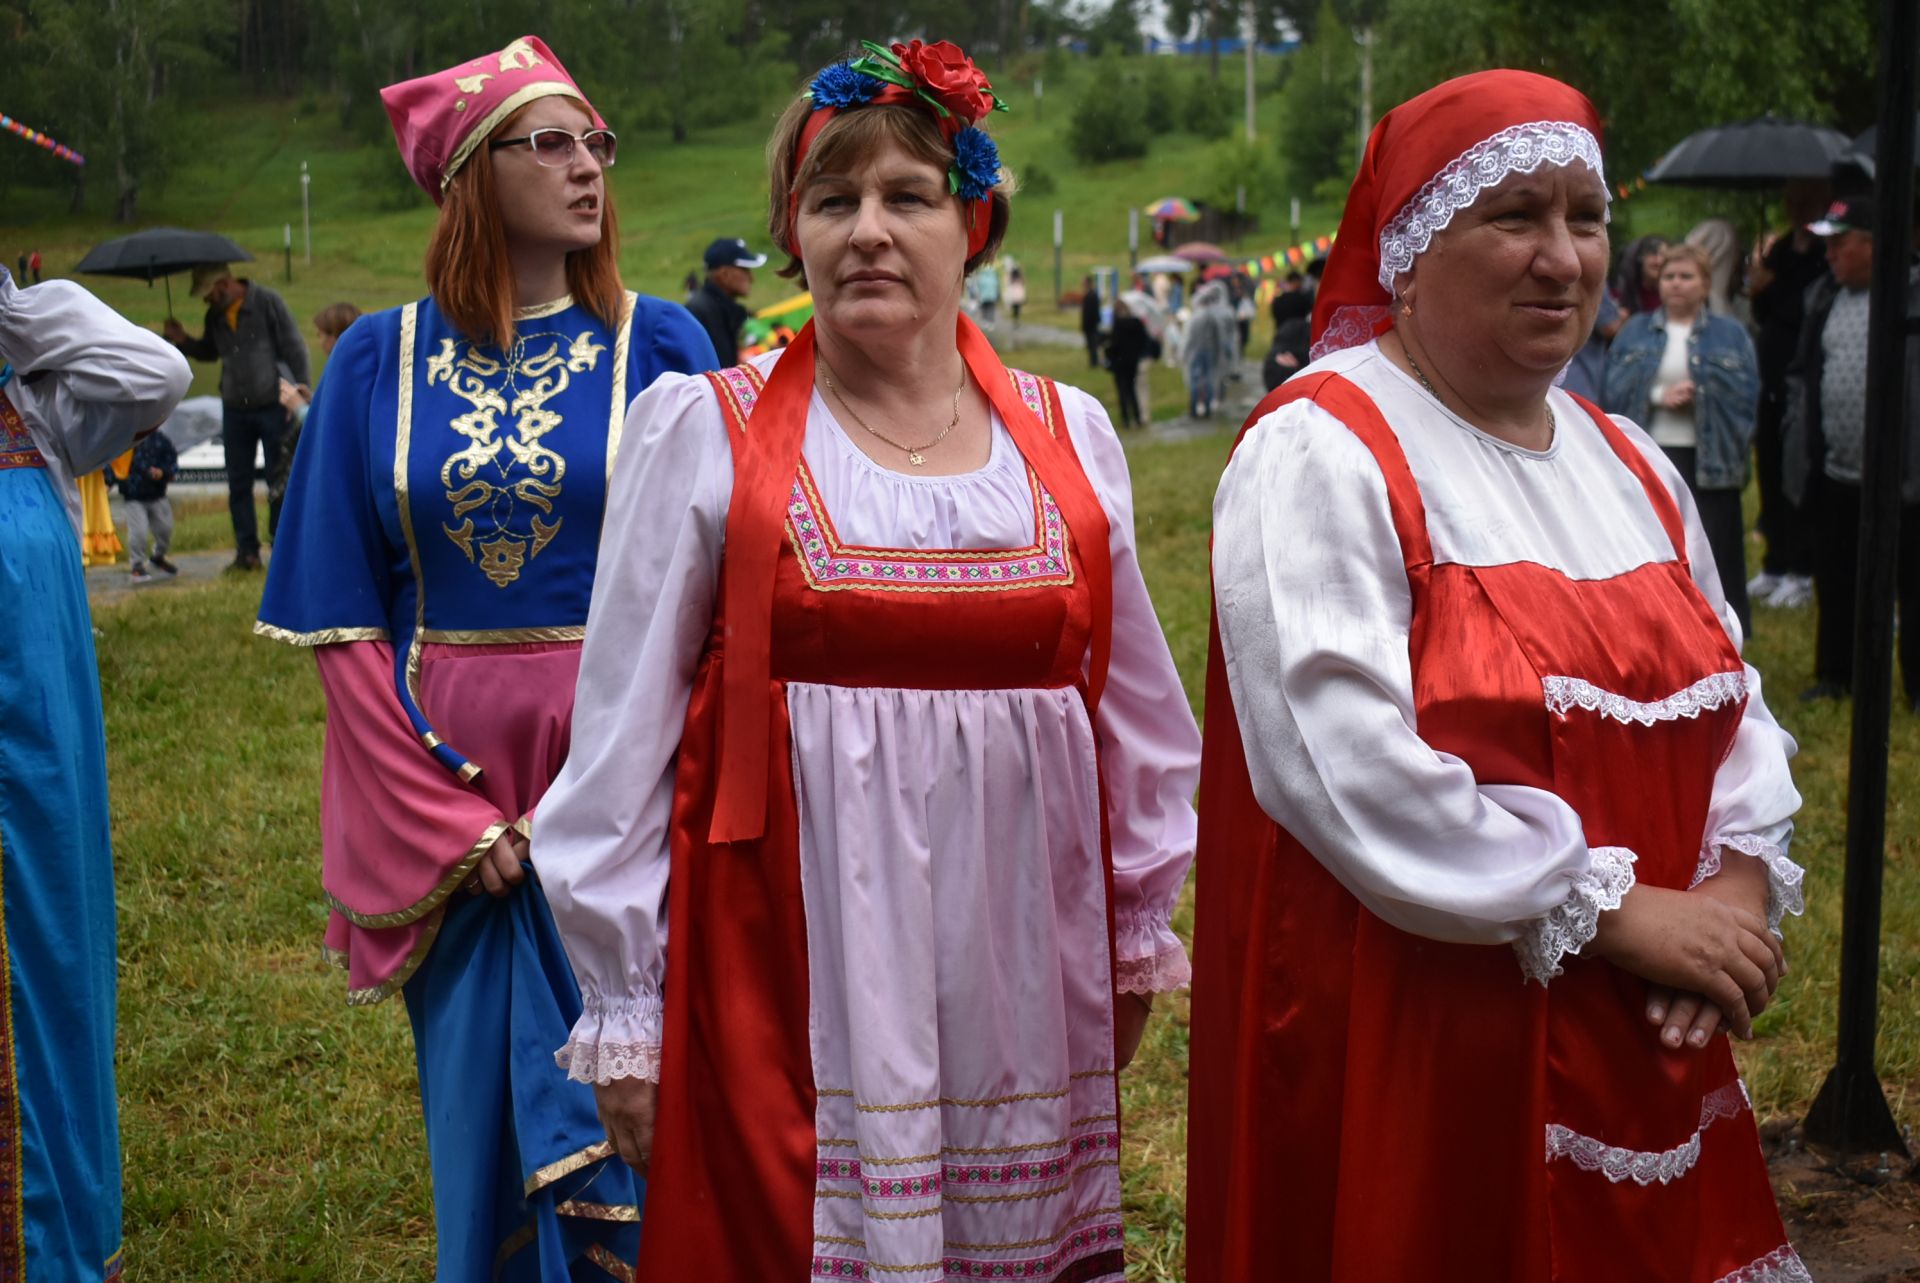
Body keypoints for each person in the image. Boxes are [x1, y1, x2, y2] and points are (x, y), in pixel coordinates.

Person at [533, 38, 1199, 1280]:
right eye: (832, 202)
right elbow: (619, 736)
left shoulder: (1069, 438)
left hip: (1014, 955)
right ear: (795, 234)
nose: (869, 231)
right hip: (792, 954)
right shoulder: (707, 431)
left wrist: (1130, 927)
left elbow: (1139, 713)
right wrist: (628, 1014)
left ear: (975, 224)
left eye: (909, 197)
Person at [1189, 70, 1806, 1281]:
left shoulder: (1630, 460)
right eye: (1514, 215)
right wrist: (1621, 914)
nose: (1561, 257)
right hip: (1428, 1038)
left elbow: (1735, 699)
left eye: (1585, 218)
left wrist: (1730, 899)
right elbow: (1340, 767)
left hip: (1641, 1037)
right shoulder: (1321, 447)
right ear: (1409, 251)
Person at [255, 35, 717, 1280]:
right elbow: (339, 621)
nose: (588, 169)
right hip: (458, 797)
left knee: (653, 1113)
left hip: (629, 774)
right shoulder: (373, 362)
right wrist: (449, 818)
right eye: (551, 143)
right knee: (482, 1141)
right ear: (471, 171)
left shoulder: (664, 348)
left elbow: (722, 595)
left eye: (597, 145)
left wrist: (636, 790)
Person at [0, 264, 191, 1282]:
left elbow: (152, 369)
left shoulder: (33, 388)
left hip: (29, 748)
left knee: (46, 955)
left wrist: (17, 312)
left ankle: (48, 1241)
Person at [1784, 195, 1920, 707]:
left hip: (1908, 479)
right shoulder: (1824, 297)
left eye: (1841, 243)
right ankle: (1837, 675)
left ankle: (1916, 684)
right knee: (1838, 579)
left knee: (1913, 580)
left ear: (1878, 245)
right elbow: (1802, 372)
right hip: (1838, 472)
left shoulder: (1911, 296)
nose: (1830, 254)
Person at [1603, 242, 1761, 634]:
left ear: (1705, 284)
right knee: (1656, 540)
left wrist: (1703, 392)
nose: (1676, 284)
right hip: (1653, 453)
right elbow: (1614, 392)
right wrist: (1660, 396)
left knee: (1716, 544)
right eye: (1670, 276)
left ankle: (1724, 628)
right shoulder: (1635, 330)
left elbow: (1747, 398)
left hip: (1710, 459)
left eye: (1686, 276)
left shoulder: (1730, 334)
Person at [163, 262, 308, 570]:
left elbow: (294, 346)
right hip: (234, 407)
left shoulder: (267, 303)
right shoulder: (215, 315)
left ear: (225, 284)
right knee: (238, 483)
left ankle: (282, 549)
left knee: (278, 480)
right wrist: (183, 340)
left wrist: (301, 390)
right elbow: (209, 351)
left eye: (209, 294)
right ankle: (247, 553)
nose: (207, 301)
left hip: (273, 405)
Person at [1747, 180, 1831, 609]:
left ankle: (1801, 566)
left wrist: (1773, 288)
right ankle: (1775, 561)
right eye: (1793, 201)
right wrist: (1759, 287)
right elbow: (1764, 312)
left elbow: (1804, 308)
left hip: (1802, 374)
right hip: (1771, 372)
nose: (1798, 207)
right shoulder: (1779, 251)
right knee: (1771, 468)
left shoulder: (1824, 256)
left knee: (1797, 471)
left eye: (1806, 200)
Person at [273, 301, 361, 512]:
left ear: (335, 337)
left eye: (321, 335)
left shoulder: (344, 372)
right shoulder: (358, 367)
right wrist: (314, 401)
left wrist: (299, 408)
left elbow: (335, 429)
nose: (319, 341)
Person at [684, 236, 767, 367]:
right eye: (745, 270)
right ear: (725, 274)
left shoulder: (721, 309)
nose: (751, 278)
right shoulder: (702, 312)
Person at [118, 420, 180, 583]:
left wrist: (164, 473)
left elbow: (172, 460)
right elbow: (115, 465)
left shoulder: (161, 440)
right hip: (133, 497)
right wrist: (110, 481)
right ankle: (137, 566)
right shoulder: (124, 442)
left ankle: (158, 557)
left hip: (157, 494)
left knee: (165, 530)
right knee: (138, 533)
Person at [1183, 279, 1234, 418]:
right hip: (1210, 352)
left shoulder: (1195, 318)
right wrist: (1219, 353)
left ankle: (1194, 407)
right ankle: (1207, 407)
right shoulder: (1214, 316)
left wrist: (1185, 354)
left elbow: (1189, 338)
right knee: (1209, 379)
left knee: (1195, 380)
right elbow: (1220, 337)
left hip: (1196, 352)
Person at [1108, 296, 1151, 427]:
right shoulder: (1136, 323)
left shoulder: (1118, 325)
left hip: (1120, 362)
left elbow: (1114, 344)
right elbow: (1143, 340)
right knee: (1132, 389)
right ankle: (1137, 416)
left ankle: (1126, 418)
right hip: (1133, 361)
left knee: (1122, 390)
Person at [1080, 272, 1102, 366]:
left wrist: (1092, 323)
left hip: (1091, 324)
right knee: (1090, 344)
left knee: (1092, 344)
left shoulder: (1092, 295)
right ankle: (1093, 361)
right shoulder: (1089, 294)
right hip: (1088, 324)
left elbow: (1093, 312)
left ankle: (1094, 362)